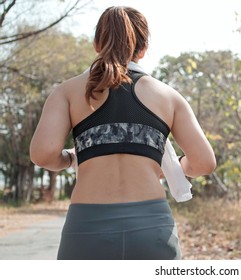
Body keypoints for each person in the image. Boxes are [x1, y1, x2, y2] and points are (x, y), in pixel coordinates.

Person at [29, 6, 216, 260]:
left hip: (87, 226)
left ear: (97, 43)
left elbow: (43, 154)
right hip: (152, 227)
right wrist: (173, 165)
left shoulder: (67, 92)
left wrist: (72, 158)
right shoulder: (168, 96)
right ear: (143, 49)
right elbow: (205, 162)